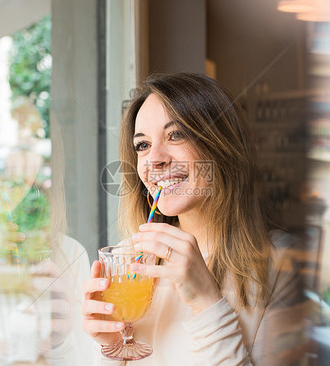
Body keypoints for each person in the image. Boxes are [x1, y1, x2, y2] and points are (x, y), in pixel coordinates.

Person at [81, 73, 309, 365]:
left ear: (220, 144)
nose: (155, 159)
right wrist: (112, 349)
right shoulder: (133, 262)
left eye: (176, 134)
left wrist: (207, 302)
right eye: (143, 145)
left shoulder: (283, 265)